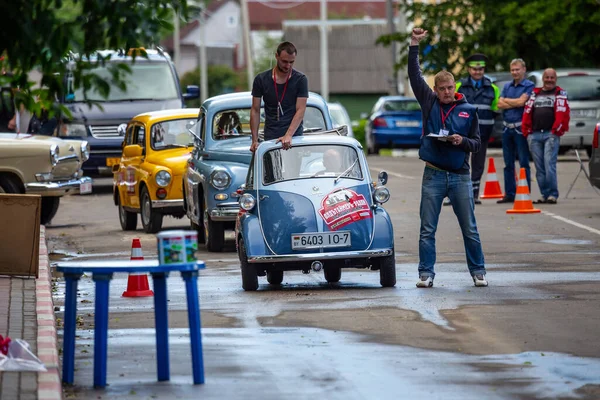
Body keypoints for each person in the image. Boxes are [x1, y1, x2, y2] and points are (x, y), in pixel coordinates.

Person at [408, 27, 488, 288]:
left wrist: (460, 141)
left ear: (456, 87)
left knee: (470, 229)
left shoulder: (467, 110)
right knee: (427, 229)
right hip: (432, 174)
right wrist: (414, 45)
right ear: (435, 89)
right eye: (441, 88)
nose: (446, 92)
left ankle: (478, 272)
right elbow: (414, 75)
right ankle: (426, 274)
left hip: (459, 176)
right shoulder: (429, 103)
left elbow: (477, 143)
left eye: (450, 87)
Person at [444, 53, 500, 206]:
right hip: (461, 133)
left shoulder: (493, 88)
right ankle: (453, 195)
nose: (478, 72)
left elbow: (496, 111)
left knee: (478, 164)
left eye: (481, 69)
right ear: (469, 69)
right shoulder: (460, 86)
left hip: (483, 133)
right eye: (474, 69)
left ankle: (473, 195)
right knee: (458, 162)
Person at [522, 68, 570, 204]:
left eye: (552, 77)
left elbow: (564, 114)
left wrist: (556, 131)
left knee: (549, 165)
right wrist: (527, 132)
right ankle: (545, 194)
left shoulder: (560, 94)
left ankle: (553, 194)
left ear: (555, 79)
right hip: (534, 135)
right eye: (547, 77)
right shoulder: (535, 94)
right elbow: (526, 112)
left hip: (551, 134)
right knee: (539, 167)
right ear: (543, 78)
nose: (549, 80)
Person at [250, 41, 308, 152]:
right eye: (284, 61)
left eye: (292, 62)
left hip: (294, 138)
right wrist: (254, 140)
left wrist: (289, 135)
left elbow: (301, 110)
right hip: (271, 137)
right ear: (276, 56)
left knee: (293, 168)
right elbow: (255, 110)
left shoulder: (300, 79)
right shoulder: (261, 80)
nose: (288, 66)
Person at [496, 58, 535, 203]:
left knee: (524, 162)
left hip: (520, 128)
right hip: (507, 128)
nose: (515, 72)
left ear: (524, 70)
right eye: (512, 70)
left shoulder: (529, 85)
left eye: (517, 69)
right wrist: (516, 102)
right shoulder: (507, 86)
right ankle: (510, 194)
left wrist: (509, 101)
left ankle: (525, 192)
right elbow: (499, 103)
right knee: (508, 163)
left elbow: (522, 102)